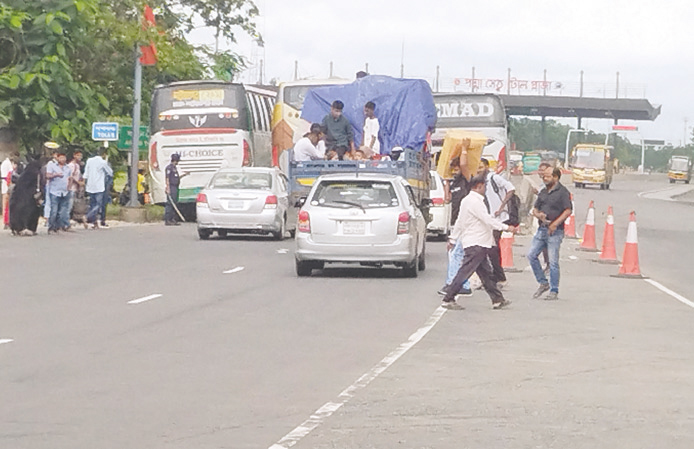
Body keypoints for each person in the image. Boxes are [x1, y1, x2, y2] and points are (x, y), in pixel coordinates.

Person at [441, 175, 517, 310]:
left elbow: (460, 221)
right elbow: (487, 220)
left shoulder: (467, 201)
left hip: (477, 242)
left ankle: (497, 299)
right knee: (465, 272)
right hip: (477, 243)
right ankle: (448, 298)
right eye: (484, 186)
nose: (485, 189)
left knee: (486, 273)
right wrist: (506, 227)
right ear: (478, 186)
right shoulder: (475, 202)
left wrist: (453, 238)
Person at [527, 167, 572, 301]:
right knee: (531, 255)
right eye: (543, 176)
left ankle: (554, 289)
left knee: (553, 261)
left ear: (556, 177)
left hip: (555, 231)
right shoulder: (543, 192)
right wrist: (538, 215)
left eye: (547, 176)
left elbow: (568, 210)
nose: (544, 179)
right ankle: (543, 282)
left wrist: (555, 223)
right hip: (542, 229)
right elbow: (535, 208)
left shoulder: (563, 192)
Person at [438, 138, 474, 297]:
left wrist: (464, 149)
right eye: (452, 169)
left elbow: (465, 166)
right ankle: (462, 283)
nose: (454, 171)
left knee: (456, 253)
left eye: (456, 168)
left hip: (465, 223)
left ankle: (452, 283)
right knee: (455, 254)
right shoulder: (453, 182)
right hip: (455, 222)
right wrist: (446, 181)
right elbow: (447, 198)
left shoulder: (466, 180)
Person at [477, 158, 516, 286]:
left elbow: (511, 188)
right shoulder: (480, 181)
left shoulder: (494, 178)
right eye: (477, 167)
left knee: (492, 248)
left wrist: (502, 206)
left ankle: (499, 277)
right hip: (487, 219)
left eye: (481, 167)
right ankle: (494, 276)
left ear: (487, 167)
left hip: (498, 218)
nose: (479, 169)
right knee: (489, 248)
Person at [9, 158, 42, 236]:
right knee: (31, 213)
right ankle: (29, 228)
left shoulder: (25, 175)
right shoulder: (35, 173)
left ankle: (19, 228)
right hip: (30, 198)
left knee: (20, 212)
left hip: (20, 197)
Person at [84, 148, 113, 229]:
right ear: (104, 154)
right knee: (98, 205)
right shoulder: (103, 162)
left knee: (92, 204)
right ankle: (87, 216)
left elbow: (86, 174)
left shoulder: (89, 160)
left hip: (90, 186)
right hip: (99, 186)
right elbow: (110, 172)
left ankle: (94, 222)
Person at [45, 149, 72, 233]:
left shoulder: (68, 168)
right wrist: (55, 175)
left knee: (62, 211)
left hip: (64, 192)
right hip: (54, 191)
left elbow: (70, 178)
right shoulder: (52, 165)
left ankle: (59, 226)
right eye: (61, 158)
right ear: (57, 158)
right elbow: (47, 175)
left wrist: (69, 187)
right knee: (54, 210)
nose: (63, 159)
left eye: (64, 158)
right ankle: (51, 227)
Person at [164, 153, 189, 226]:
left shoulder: (175, 168)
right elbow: (167, 178)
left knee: (175, 203)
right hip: (171, 187)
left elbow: (176, 178)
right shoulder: (169, 168)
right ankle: (168, 219)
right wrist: (167, 188)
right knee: (170, 203)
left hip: (175, 187)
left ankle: (173, 219)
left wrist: (184, 175)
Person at [1, 153, 16, 229]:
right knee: (7, 204)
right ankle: (7, 221)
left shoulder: (4, 163)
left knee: (5, 205)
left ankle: (6, 221)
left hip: (5, 184)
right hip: (7, 185)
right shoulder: (8, 164)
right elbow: (10, 175)